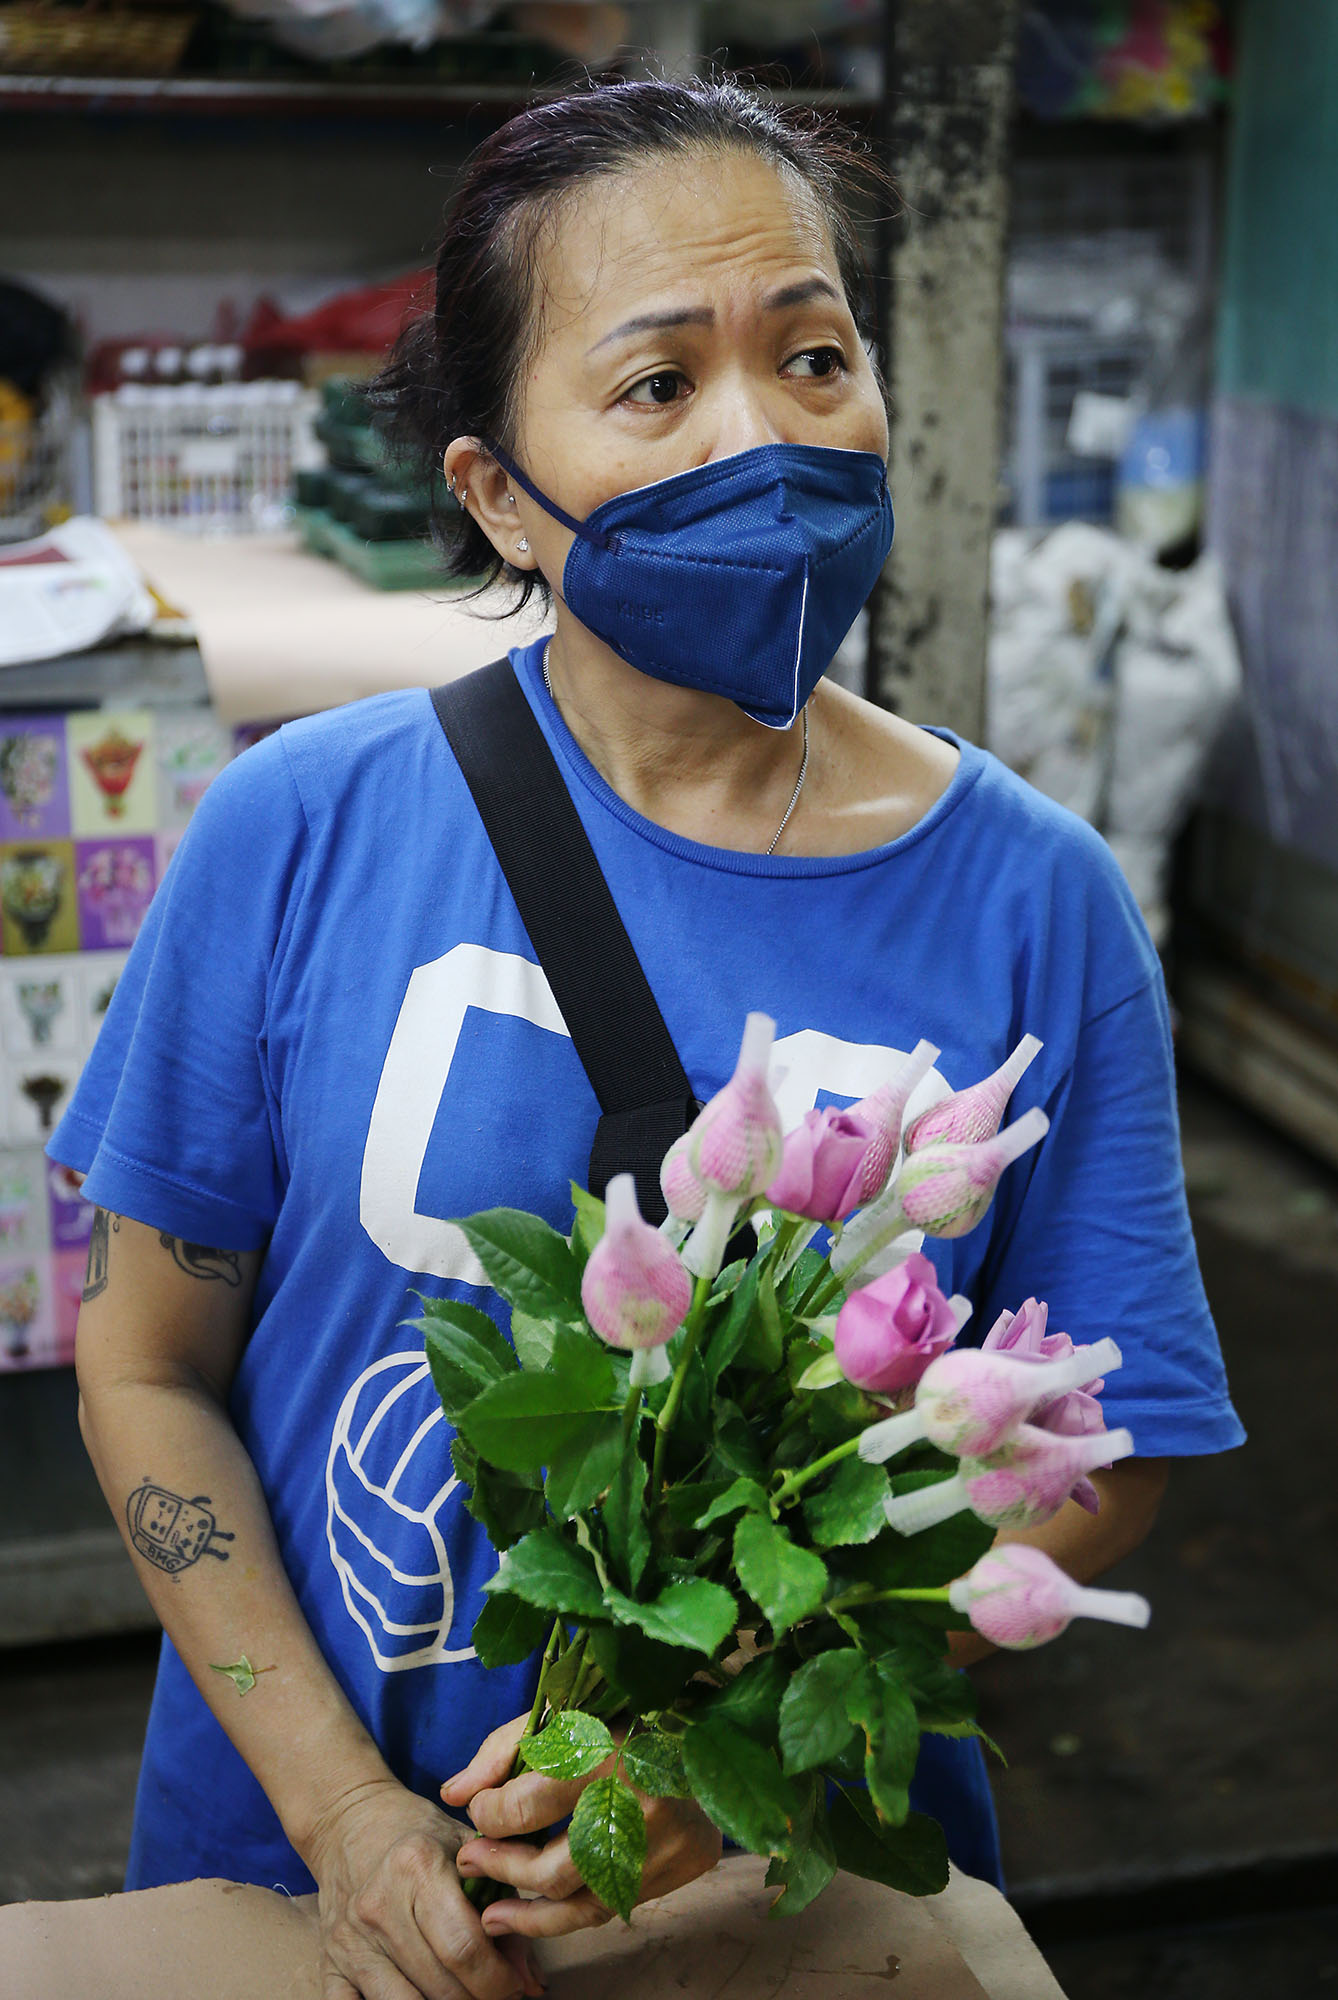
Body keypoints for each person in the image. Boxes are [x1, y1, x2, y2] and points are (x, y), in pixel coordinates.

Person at [52, 75, 1243, 2000]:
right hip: (310, 1890)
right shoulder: (300, 829)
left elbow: (1099, 1455)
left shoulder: (1038, 898)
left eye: (812, 352)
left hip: (785, 1909)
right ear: (496, 490)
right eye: (657, 386)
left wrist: (714, 1750)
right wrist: (351, 1823)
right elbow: (148, 1364)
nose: (767, 436)